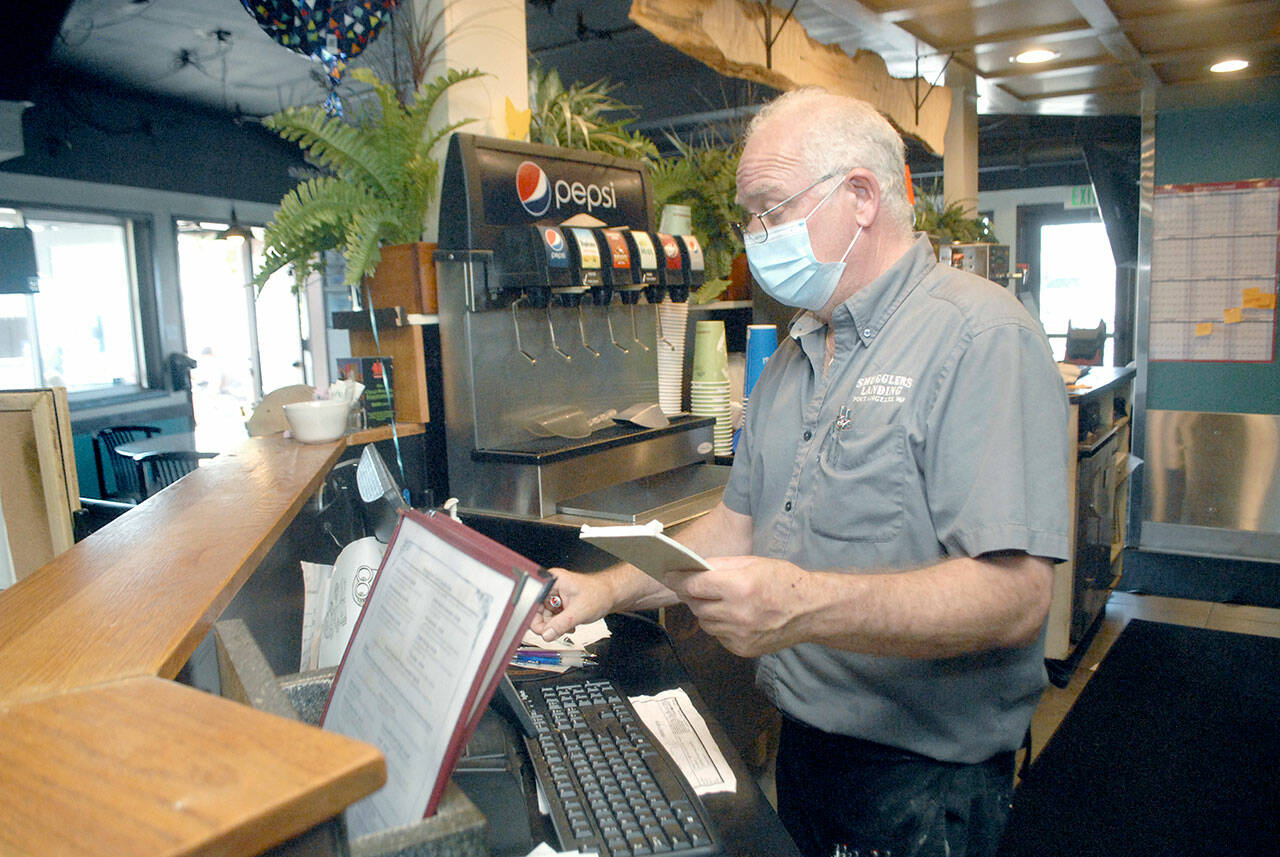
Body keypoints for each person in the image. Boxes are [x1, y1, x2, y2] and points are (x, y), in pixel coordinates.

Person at [531, 87, 1070, 857]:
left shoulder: (979, 338)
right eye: (749, 217)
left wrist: (804, 605)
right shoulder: (795, 357)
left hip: (925, 786)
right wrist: (604, 589)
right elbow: (734, 527)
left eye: (770, 209)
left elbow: (1016, 596)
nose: (756, 237)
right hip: (807, 753)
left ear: (859, 197)